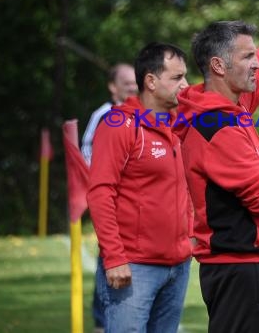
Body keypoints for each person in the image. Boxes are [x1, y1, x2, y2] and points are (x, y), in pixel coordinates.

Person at [175, 18, 259, 333]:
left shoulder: (229, 104)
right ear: (219, 66)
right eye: (245, 57)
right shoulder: (218, 126)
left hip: (243, 264)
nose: (255, 65)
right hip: (238, 268)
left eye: (253, 55)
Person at [87, 43, 192, 333]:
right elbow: (100, 193)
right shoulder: (118, 124)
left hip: (179, 267)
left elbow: (187, 187)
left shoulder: (181, 125)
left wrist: (190, 236)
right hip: (134, 267)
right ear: (151, 81)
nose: (185, 85)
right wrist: (115, 257)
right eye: (177, 77)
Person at [81, 63, 137, 332]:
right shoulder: (105, 115)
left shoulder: (146, 114)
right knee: (110, 260)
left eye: (134, 80)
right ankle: (103, 323)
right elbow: (87, 155)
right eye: (125, 82)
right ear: (112, 87)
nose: (131, 85)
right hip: (113, 205)